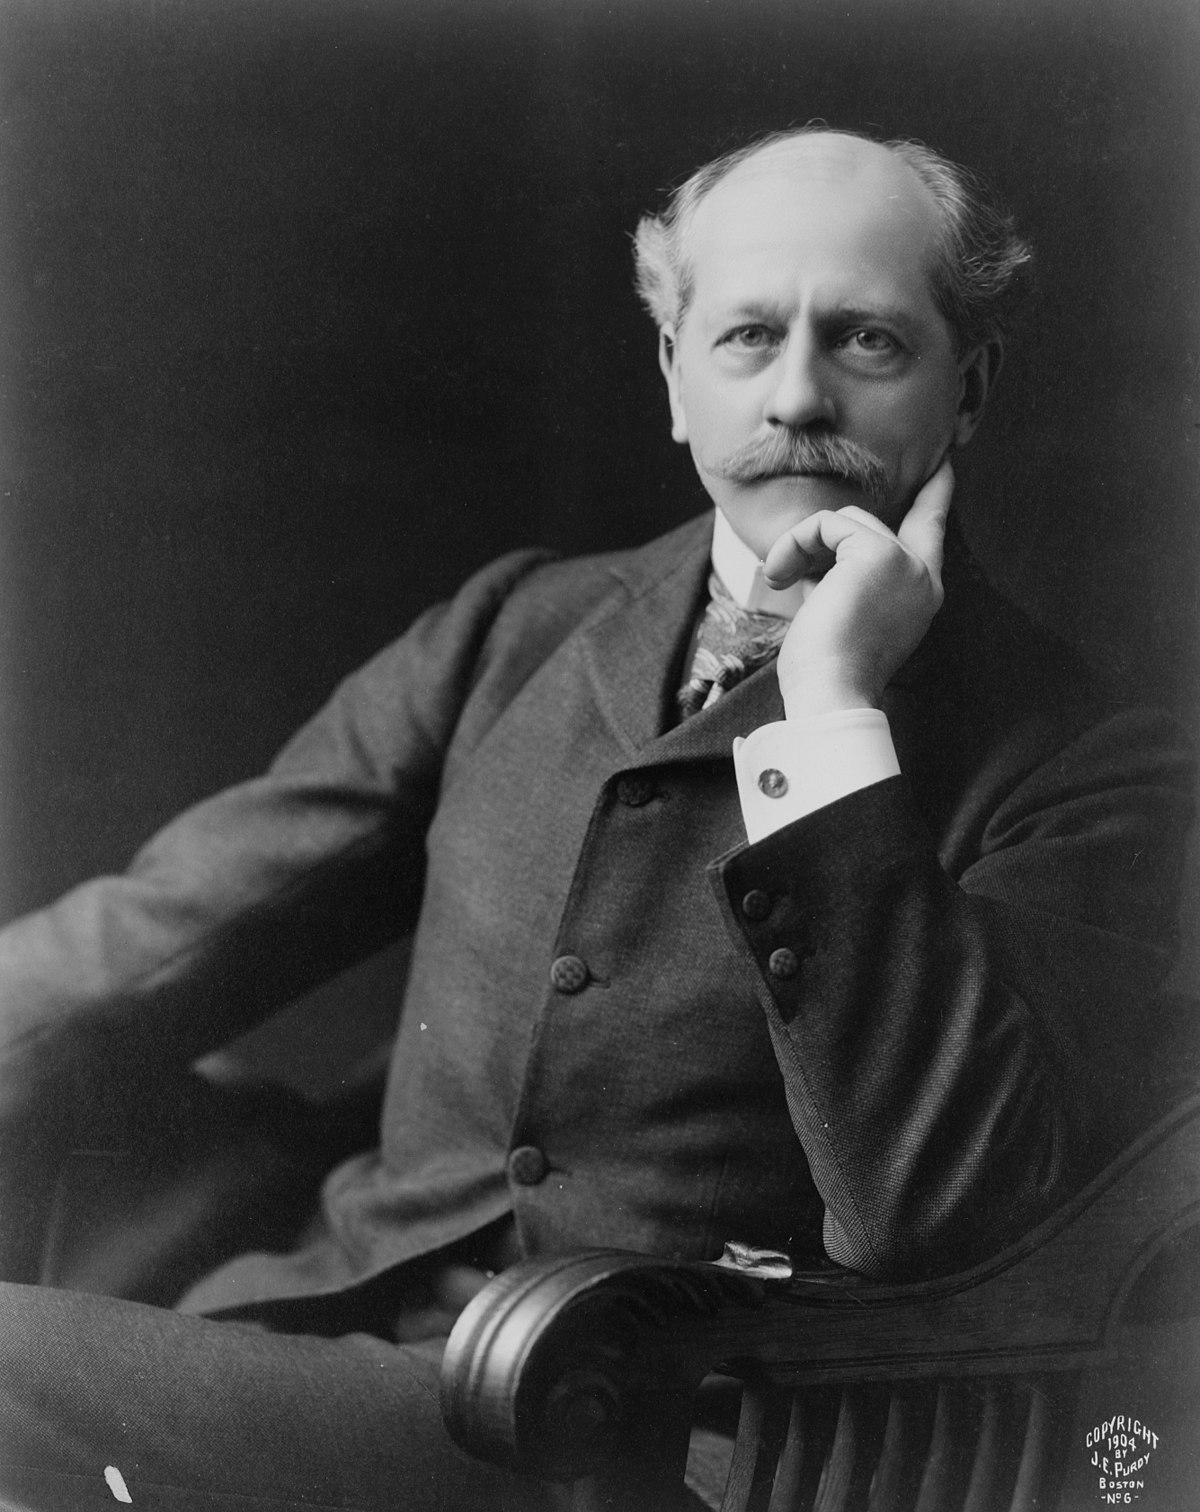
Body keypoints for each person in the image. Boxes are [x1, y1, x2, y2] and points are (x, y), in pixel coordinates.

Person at [0, 126, 1191, 1510]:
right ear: (675, 375)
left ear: (967, 387)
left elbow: (936, 1210)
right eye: (748, 336)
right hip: (328, 1331)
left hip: (659, 1437)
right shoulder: (519, 625)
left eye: (867, 341)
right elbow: (167, 931)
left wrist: (831, 713)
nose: (798, 395)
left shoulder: (1093, 765)